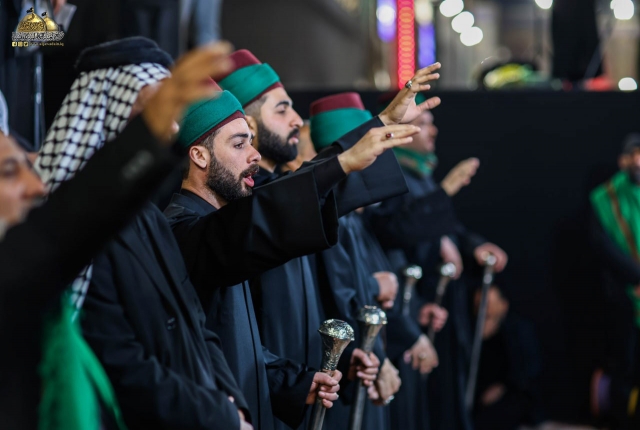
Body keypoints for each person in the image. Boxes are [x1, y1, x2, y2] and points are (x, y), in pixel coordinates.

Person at [0, 37, 223, 429]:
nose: (36, 186)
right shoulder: (52, 247)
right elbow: (67, 222)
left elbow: (194, 325)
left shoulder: (151, 218)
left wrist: (228, 404)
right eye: (8, 172)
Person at [218, 49, 442, 430]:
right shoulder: (243, 212)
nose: (296, 120)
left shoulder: (287, 200)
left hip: (310, 384)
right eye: (282, 109)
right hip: (275, 397)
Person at [165, 89, 398, 429]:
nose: (254, 155)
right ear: (199, 156)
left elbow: (232, 345)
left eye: (251, 142)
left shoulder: (216, 223)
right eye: (239, 144)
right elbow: (266, 212)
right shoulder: (180, 230)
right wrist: (343, 162)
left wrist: (296, 383)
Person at [366, 92, 508, 430]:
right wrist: (445, 191)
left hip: (437, 307)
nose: (433, 131)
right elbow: (392, 230)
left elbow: (449, 228)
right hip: (410, 308)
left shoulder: (420, 172)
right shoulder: (387, 173)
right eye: (423, 123)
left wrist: (474, 246)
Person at [589, 133, 640, 429]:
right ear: (623, 160)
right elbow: (603, 246)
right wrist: (636, 278)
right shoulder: (605, 198)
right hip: (625, 295)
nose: (638, 161)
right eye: (633, 155)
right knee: (624, 365)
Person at [471, 286, 543, 430]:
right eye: (479, 305)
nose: (483, 310)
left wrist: (503, 387)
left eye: (488, 304)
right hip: (479, 398)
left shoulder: (518, 331)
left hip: (514, 395)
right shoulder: (471, 334)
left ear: (503, 305)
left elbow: (528, 370)